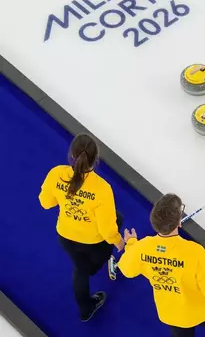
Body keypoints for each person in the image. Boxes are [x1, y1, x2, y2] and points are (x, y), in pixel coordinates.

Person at [117, 193, 205, 337]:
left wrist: (131, 243)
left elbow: (127, 270)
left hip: (173, 313)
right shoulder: (195, 252)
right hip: (204, 311)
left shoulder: (141, 247)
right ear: (179, 222)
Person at [38, 133, 125, 322]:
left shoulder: (56, 174)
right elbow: (106, 229)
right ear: (96, 159)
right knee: (117, 220)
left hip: (66, 236)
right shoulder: (102, 188)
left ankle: (86, 303)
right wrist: (119, 241)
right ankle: (89, 283)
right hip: (93, 241)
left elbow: (46, 202)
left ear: (71, 155)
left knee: (80, 269)